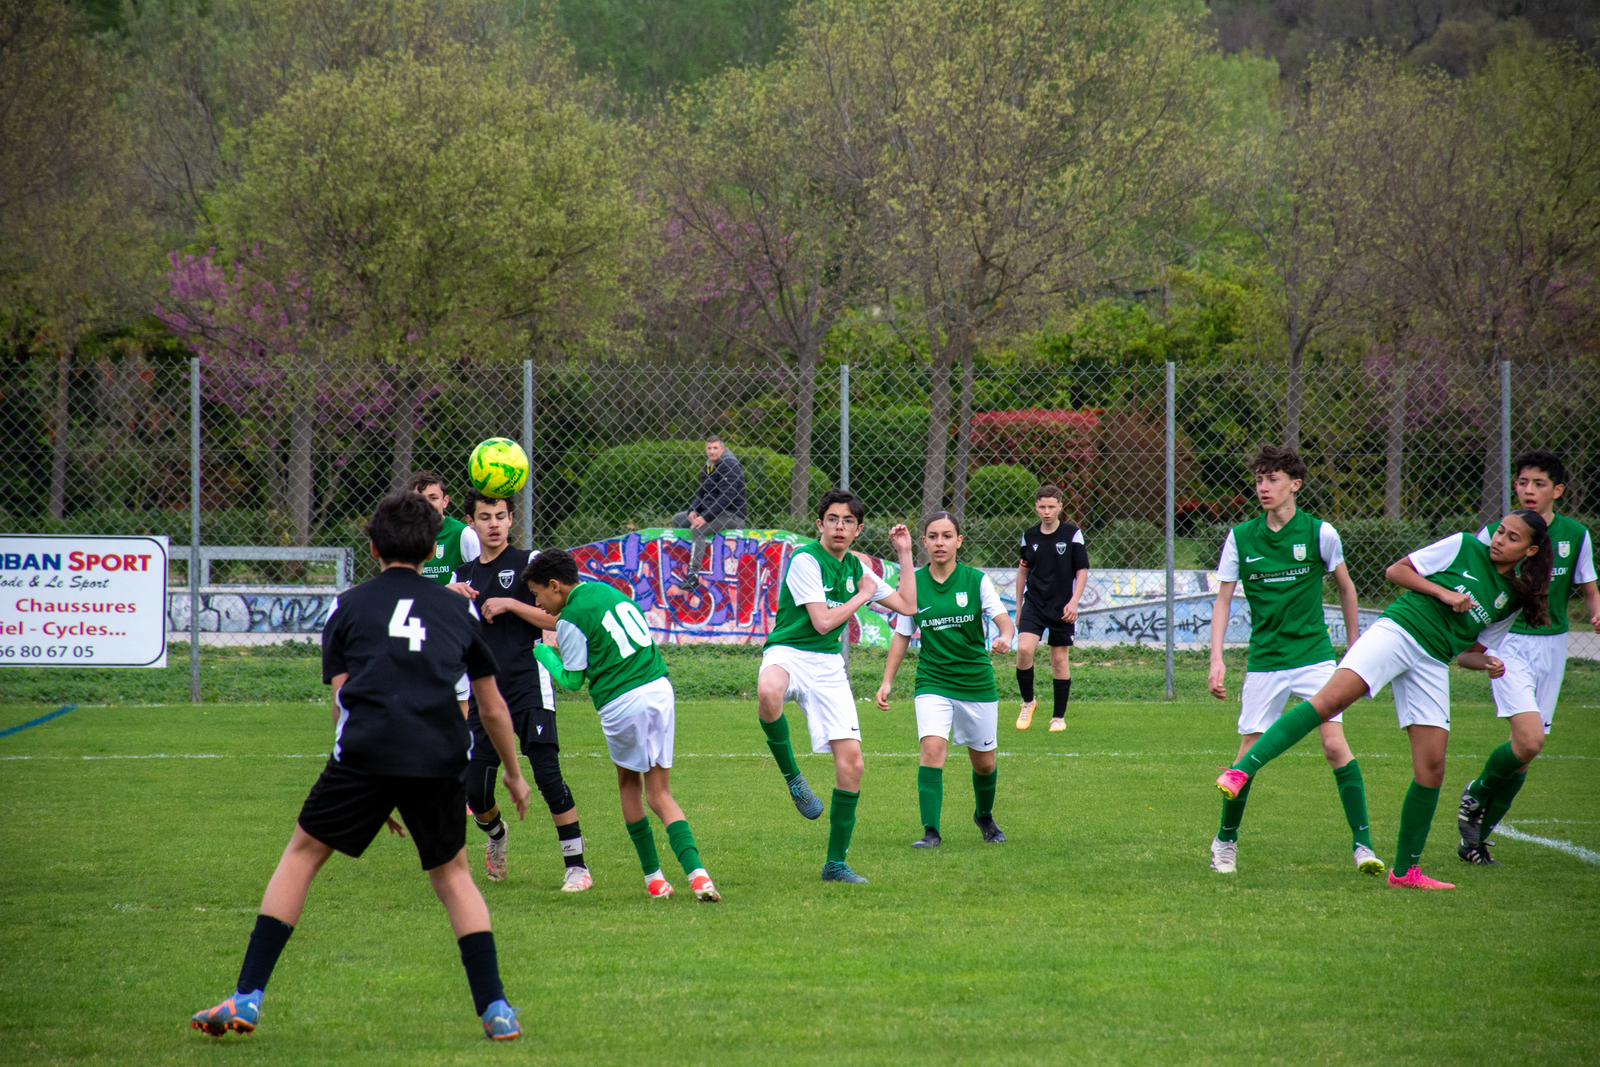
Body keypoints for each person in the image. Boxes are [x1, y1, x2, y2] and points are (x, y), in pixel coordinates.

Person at [189, 491, 531, 1041]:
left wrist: (369, 782)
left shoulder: (346, 606)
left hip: (367, 753)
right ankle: (496, 1009)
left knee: (302, 855)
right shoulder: (458, 608)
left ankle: (247, 997)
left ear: (372, 548)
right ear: (432, 550)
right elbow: (490, 708)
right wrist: (512, 772)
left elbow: (341, 701)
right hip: (439, 754)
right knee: (454, 876)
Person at [1213, 510, 1552, 890]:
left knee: (1432, 768)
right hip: (1398, 631)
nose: (1499, 539)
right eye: (1500, 531)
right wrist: (1443, 592)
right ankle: (1241, 772)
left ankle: (1406, 872)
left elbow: (1468, 654)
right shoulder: (1463, 546)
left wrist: (1487, 662)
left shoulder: (1511, 598)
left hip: (1433, 660)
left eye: (1512, 538)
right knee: (1328, 703)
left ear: (1530, 550)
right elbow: (1396, 571)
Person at [1204, 445, 1378, 876]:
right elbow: (1223, 600)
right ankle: (1225, 842)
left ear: (1295, 484)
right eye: (1259, 480)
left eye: (1273, 479)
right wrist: (1216, 659)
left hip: (1314, 657)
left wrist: (1354, 649)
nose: (1263, 487)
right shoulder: (1241, 537)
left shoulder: (1320, 533)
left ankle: (1363, 846)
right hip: (1265, 660)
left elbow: (1346, 588)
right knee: (1247, 756)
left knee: (1334, 746)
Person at [524, 549, 721, 902]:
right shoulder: (608, 591)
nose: (537, 604)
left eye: (537, 594)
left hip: (622, 701)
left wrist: (544, 654)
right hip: (659, 690)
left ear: (555, 585)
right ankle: (699, 877)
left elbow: (572, 680)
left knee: (629, 785)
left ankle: (655, 879)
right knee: (660, 793)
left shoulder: (570, 618)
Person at [756, 488, 917, 884]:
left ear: (858, 529)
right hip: (789, 652)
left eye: (848, 521)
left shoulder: (857, 569)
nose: (839, 527)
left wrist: (905, 554)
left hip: (828, 666)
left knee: (853, 764)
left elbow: (908, 606)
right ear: (820, 524)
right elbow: (823, 622)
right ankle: (794, 779)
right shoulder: (805, 559)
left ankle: (835, 865)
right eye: (832, 519)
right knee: (768, 690)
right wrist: (863, 596)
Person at [1457, 451, 1600, 865]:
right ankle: (1476, 792)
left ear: (1558, 490)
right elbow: (1473, 577)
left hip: (1553, 647)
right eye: (1522, 483)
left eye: (1539, 484)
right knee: (1530, 740)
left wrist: (1596, 611)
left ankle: (1474, 843)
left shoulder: (1575, 534)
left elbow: (1589, 588)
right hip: (1508, 643)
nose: (1528, 490)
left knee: (1524, 756)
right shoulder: (1496, 533)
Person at [446, 489, 589, 892]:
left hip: (528, 683)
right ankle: (496, 835)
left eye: (500, 516)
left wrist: (510, 604)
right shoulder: (461, 576)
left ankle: (576, 867)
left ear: (511, 519)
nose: (493, 524)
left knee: (547, 775)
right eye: (484, 517)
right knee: (476, 790)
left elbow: (556, 617)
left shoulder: (530, 562)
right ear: (471, 523)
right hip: (484, 692)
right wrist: (445, 595)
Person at [875, 512, 1015, 848]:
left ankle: (984, 816)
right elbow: (902, 634)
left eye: (947, 536)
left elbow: (1004, 621)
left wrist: (1006, 637)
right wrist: (886, 681)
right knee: (932, 749)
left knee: (985, 763)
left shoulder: (976, 580)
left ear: (959, 541)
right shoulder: (914, 585)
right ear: (924, 541)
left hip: (976, 680)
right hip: (932, 680)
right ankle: (931, 832)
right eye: (933, 536)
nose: (940, 542)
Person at [1014, 485, 1089, 732]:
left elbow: (1081, 571)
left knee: (1058, 660)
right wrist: (1019, 607)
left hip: (1062, 606)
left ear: (1060, 507)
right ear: (1036, 507)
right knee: (1023, 650)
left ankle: (1058, 718)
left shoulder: (1072, 535)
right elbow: (1022, 571)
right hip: (1034, 603)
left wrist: (1074, 602)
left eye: (1051, 507)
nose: (1047, 512)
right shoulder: (1029, 536)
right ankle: (1028, 702)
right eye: (1042, 507)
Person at [407, 470, 481, 717]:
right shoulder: (405, 537)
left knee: (459, 700)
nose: (427, 505)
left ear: (445, 501)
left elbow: (481, 578)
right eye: (421, 499)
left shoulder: (463, 534)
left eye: (433, 498)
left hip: (452, 629)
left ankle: (462, 740)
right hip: (416, 628)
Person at [671, 435, 747, 591]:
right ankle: (679, 563)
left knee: (698, 529)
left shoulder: (729, 466)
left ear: (722, 449)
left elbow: (726, 497)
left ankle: (693, 575)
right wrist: (693, 510)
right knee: (678, 520)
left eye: (715, 448)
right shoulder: (708, 467)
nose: (712, 451)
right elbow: (701, 494)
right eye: (709, 448)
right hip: (713, 513)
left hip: (732, 514)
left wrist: (704, 517)